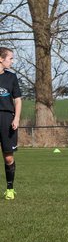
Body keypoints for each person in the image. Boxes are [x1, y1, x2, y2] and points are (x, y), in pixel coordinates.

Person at [0, 47, 22, 200]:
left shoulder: (11, 77)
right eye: (10, 58)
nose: (12, 61)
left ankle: (10, 189)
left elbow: (18, 100)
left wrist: (17, 118)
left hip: (7, 118)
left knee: (8, 157)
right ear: (1, 59)